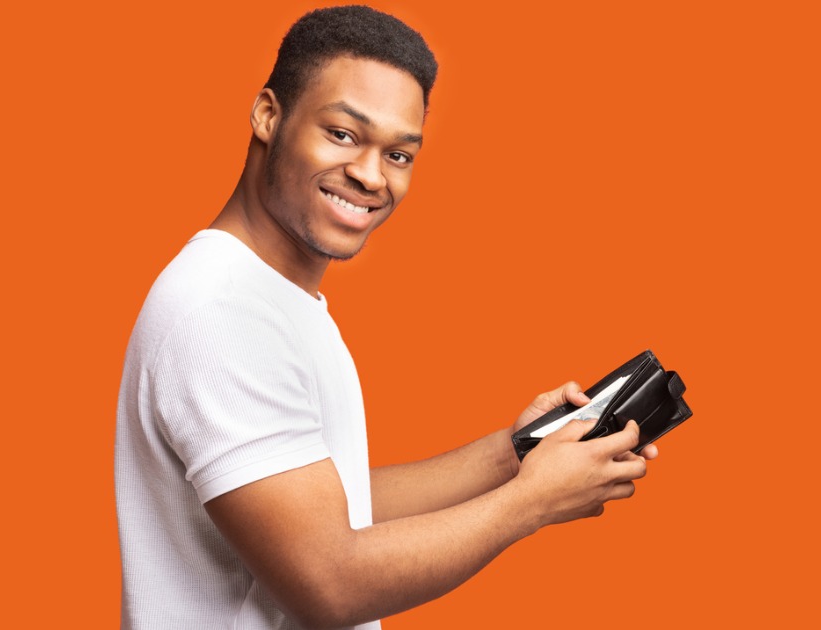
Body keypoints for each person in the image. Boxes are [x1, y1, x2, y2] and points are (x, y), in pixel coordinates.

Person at [115, 6, 657, 629]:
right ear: (269, 115)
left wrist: (513, 455)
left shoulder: (271, 298)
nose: (371, 176)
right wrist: (531, 502)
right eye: (343, 134)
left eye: (398, 155)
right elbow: (329, 584)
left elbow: (328, 506)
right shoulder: (223, 311)